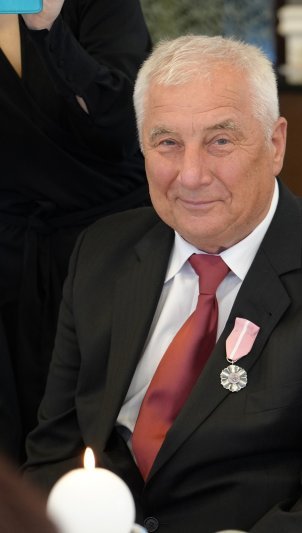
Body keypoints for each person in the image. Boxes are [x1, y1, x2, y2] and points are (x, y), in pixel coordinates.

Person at [23, 35, 302, 533]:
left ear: (275, 144)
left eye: (220, 141)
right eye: (167, 143)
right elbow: (54, 450)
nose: (191, 175)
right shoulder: (102, 251)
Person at [0, 0, 151, 463]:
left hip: (106, 245)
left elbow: (123, 125)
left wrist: (48, 28)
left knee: (99, 428)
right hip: (10, 251)